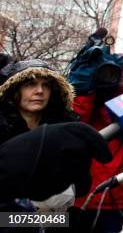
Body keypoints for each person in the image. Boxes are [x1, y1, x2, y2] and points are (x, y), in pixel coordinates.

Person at [72, 53, 123, 233]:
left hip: (112, 199)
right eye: (119, 67)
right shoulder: (93, 98)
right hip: (77, 197)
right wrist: (88, 90)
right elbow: (75, 125)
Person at [0, 59, 79, 215]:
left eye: (46, 85)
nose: (39, 91)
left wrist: (64, 222)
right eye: (31, 84)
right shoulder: (2, 129)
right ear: (16, 90)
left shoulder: (63, 129)